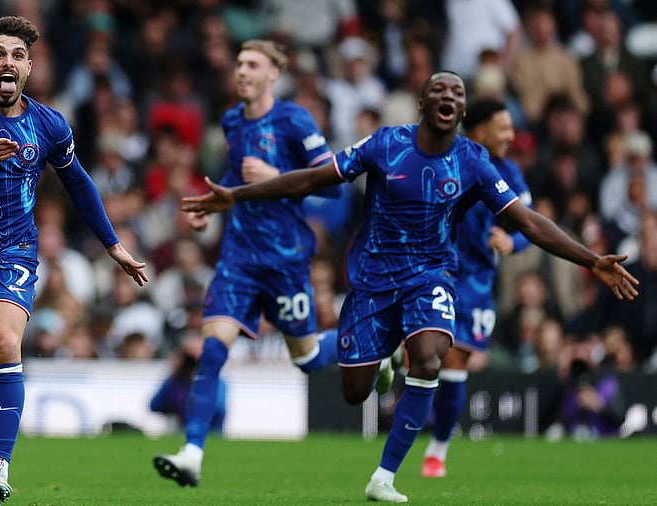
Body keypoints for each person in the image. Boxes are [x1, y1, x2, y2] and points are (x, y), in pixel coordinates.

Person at [180, 71, 639, 503]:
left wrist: (592, 258)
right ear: (422, 104)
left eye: (458, 94)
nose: (449, 98)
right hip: (372, 282)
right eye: (440, 91)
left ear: (461, 113)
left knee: (431, 357)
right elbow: (317, 177)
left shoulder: (473, 161)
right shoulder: (386, 144)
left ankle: (384, 476)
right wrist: (237, 194)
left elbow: (529, 222)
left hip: (431, 276)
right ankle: (386, 357)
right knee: (354, 391)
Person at [0, 16, 147, 506]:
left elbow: (79, 183)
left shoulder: (48, 124)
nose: (8, 63)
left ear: (29, 67)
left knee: (5, 343)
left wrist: (111, 244)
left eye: (18, 56)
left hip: (13, 251)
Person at [152, 39, 346, 488]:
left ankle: (378, 344)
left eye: (252, 64)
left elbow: (334, 185)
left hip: (285, 262)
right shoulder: (232, 120)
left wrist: (277, 179)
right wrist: (212, 204)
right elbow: (238, 179)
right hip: (239, 258)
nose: (241, 71)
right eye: (239, 63)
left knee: (310, 359)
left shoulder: (295, 120)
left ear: (273, 73)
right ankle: (192, 454)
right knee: (211, 351)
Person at [419, 98, 532, 479]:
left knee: (453, 366)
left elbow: (528, 226)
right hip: (437, 271)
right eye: (503, 128)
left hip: (478, 285)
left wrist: (511, 242)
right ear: (480, 130)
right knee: (428, 356)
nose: (511, 135)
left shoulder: (510, 173)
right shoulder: (449, 160)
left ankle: (437, 451)